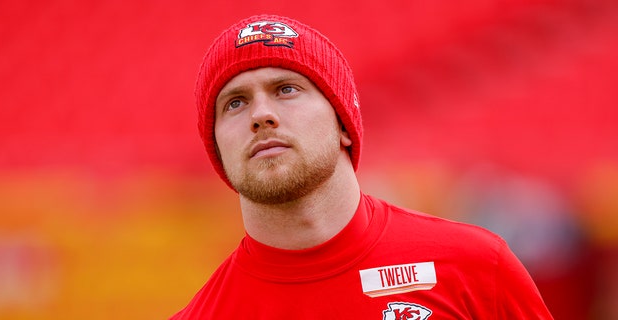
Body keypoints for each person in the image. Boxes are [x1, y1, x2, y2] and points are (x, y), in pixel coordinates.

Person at [171, 14, 553, 319]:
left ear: (343, 124)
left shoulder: (477, 269)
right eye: (234, 103)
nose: (261, 115)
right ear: (218, 149)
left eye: (286, 89)